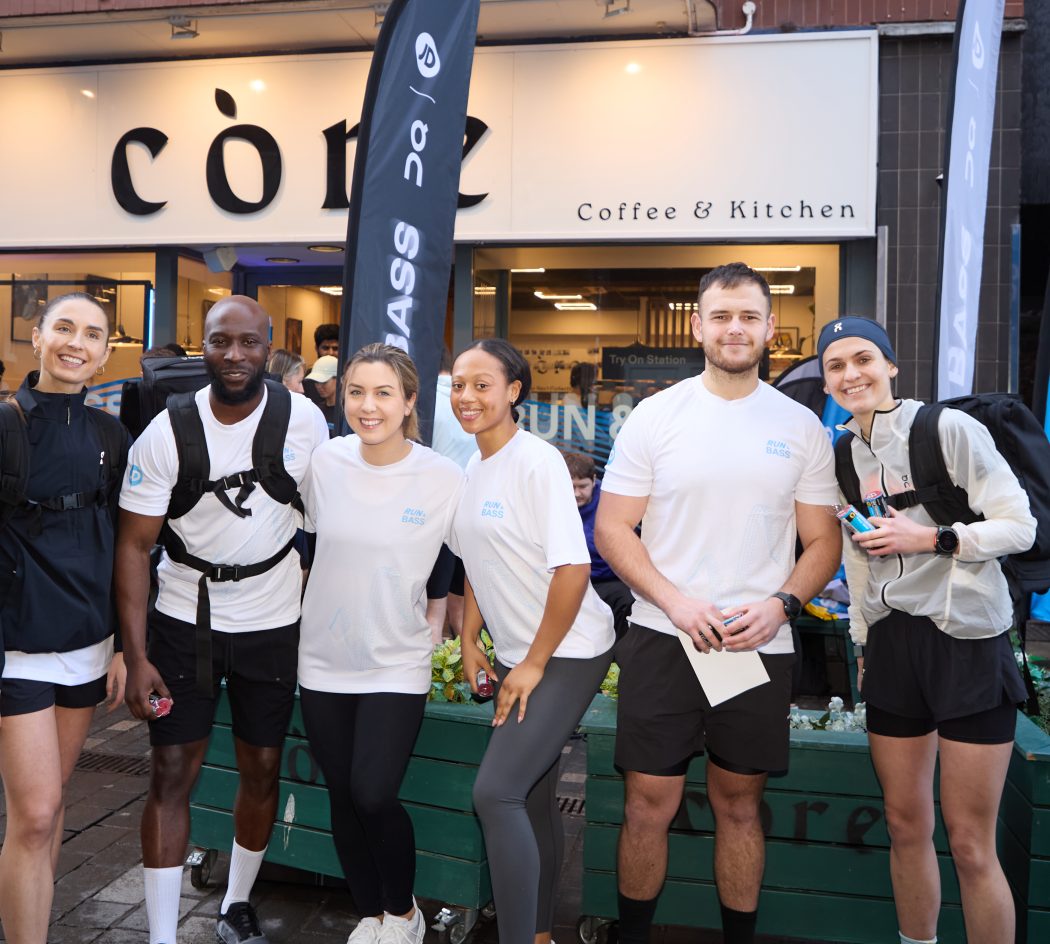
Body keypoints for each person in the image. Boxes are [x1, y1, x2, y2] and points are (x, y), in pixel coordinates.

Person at [594, 262, 841, 944]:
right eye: (722, 316)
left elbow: (823, 541)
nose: (736, 328)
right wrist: (675, 603)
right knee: (648, 805)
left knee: (739, 806)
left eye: (749, 317)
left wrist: (782, 604)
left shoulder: (801, 426)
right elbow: (613, 528)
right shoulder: (655, 416)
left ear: (771, 329)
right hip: (662, 636)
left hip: (757, 644)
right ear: (698, 327)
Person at [116, 296, 329, 944]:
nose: (234, 355)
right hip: (185, 619)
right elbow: (133, 547)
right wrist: (136, 656)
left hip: (273, 621)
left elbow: (325, 521)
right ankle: (162, 934)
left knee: (261, 769)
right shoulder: (167, 431)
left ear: (269, 346)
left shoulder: (304, 421)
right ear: (202, 346)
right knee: (170, 772)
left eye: (248, 342)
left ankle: (237, 904)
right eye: (219, 342)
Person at [820, 317, 1035, 944]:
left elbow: (1019, 526)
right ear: (827, 382)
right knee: (905, 825)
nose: (851, 374)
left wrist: (934, 538)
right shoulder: (843, 453)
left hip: (968, 639)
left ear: (891, 365)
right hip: (893, 645)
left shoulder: (947, 429)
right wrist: (864, 640)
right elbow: (860, 558)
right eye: (836, 365)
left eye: (863, 358)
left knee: (970, 842)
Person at [448, 338, 615, 944]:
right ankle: (540, 934)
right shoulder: (475, 466)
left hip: (568, 649)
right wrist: (471, 637)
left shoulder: (536, 462)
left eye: (482, 384)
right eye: (458, 385)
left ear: (514, 391)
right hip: (521, 650)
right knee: (533, 796)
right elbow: (475, 559)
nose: (467, 396)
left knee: (496, 794)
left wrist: (533, 663)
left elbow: (572, 570)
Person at [298, 343, 463, 944]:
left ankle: (403, 914)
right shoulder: (326, 461)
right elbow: (303, 548)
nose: (368, 406)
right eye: (357, 392)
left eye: (384, 393)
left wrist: (468, 636)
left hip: (396, 660)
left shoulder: (443, 478)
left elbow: (469, 563)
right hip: (322, 659)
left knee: (372, 792)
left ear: (410, 401)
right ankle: (370, 914)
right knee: (342, 795)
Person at [0, 293, 130, 944]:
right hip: (17, 647)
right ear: (38, 336)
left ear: (105, 353)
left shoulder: (111, 435)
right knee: (35, 812)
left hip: (88, 644)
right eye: (65, 328)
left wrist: (124, 646)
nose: (77, 343)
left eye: (93, 334)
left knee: (49, 815)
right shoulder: (6, 424)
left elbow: (126, 546)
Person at [426, 347, 476, 640]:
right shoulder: (474, 403)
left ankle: (438, 665)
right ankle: (469, 657)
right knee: (460, 604)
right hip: (470, 514)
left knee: (433, 607)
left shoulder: (427, 403)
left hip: (434, 515)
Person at [563, 451, 632, 641]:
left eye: (582, 486)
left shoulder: (610, 502)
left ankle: (620, 650)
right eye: (571, 486)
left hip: (606, 579)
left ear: (594, 480)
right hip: (567, 578)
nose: (576, 493)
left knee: (627, 601)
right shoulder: (553, 501)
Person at [302, 324, 340, 407]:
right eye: (326, 348)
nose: (330, 353)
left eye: (335, 348)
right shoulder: (307, 379)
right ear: (316, 348)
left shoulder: (349, 376)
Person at [304, 354, 340, 437]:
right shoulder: (316, 410)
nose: (319, 386)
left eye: (323, 382)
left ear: (337, 379)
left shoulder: (346, 412)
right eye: (316, 382)